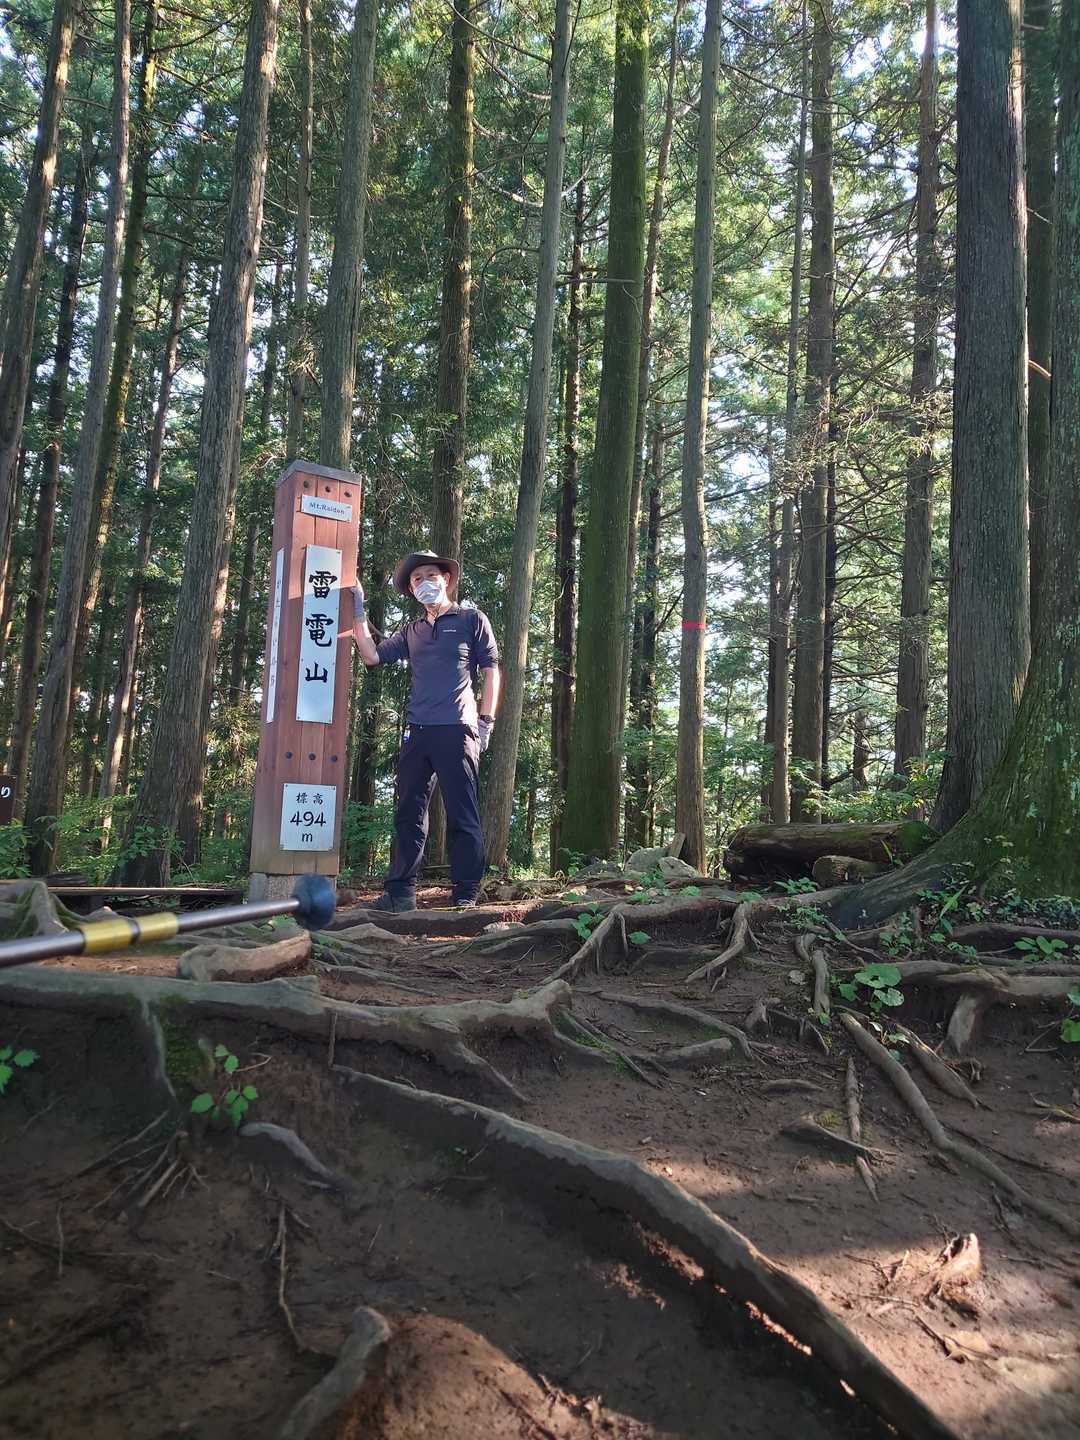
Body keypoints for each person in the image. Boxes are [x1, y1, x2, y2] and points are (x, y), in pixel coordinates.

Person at [351, 550, 500, 912]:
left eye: (430, 575)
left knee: (462, 812)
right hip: (417, 731)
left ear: (446, 579)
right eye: (417, 579)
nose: (424, 583)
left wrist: (486, 722)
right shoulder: (411, 631)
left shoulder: (471, 619)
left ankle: (465, 894)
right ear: (411, 589)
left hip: (458, 729)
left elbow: (491, 670)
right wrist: (357, 607)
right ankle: (400, 894)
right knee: (409, 814)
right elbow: (371, 655)